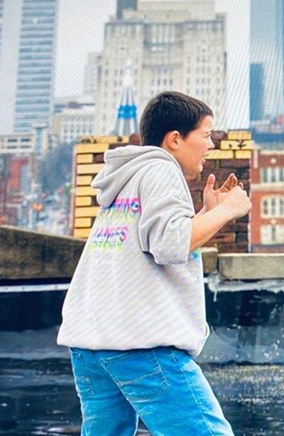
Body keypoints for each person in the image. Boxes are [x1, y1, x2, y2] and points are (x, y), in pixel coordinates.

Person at [57, 91, 251, 435]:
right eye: (206, 135)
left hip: (90, 341)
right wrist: (228, 209)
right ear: (175, 139)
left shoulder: (127, 178)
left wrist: (206, 213)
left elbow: (152, 241)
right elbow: (170, 245)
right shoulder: (161, 169)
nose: (210, 146)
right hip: (140, 343)